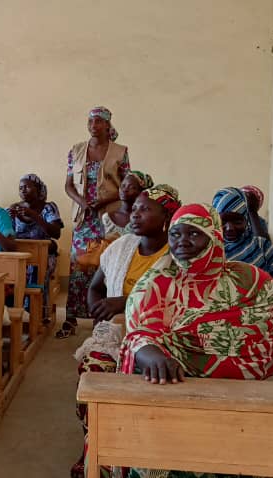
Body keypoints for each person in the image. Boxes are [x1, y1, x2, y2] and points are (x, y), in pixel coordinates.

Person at [109, 203, 273, 478]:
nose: (182, 242)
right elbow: (141, 332)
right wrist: (150, 352)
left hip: (247, 383)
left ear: (214, 238)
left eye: (193, 234)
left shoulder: (245, 276)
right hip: (182, 382)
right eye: (175, 234)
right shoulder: (157, 281)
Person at [70, 185, 179, 478]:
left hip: (160, 338)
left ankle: (123, 455)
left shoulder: (178, 252)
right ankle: (93, 448)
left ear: (167, 216)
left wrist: (124, 302)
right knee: (92, 370)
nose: (135, 214)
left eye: (145, 209)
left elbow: (175, 301)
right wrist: (99, 313)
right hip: (116, 334)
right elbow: (95, 287)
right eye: (135, 208)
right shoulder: (121, 247)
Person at [64, 106, 131, 332]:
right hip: (84, 218)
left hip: (108, 217)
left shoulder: (120, 152)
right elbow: (69, 185)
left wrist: (102, 202)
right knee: (78, 264)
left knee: (106, 263)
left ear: (107, 125)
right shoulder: (76, 150)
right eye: (91, 121)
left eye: (98, 122)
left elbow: (126, 187)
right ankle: (71, 317)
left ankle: (100, 317)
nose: (94, 126)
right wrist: (83, 203)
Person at [9, 173, 64, 329]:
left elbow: (56, 233)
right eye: (20, 188)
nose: (23, 190)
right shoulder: (15, 208)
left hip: (43, 254)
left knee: (36, 269)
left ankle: (38, 313)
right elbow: (9, 235)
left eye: (27, 187)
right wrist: (9, 218)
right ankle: (17, 312)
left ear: (38, 189)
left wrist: (34, 215)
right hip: (21, 255)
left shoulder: (48, 207)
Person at [211, 187, 273, 287]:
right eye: (223, 221)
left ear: (246, 220)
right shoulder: (210, 251)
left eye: (237, 221)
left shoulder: (263, 246)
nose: (229, 228)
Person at [101, 170, 153, 240]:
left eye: (131, 187)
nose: (125, 190)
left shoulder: (143, 219)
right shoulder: (107, 218)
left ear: (141, 192)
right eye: (123, 185)